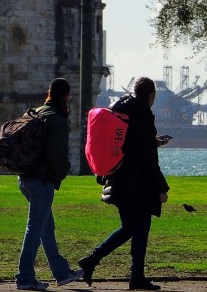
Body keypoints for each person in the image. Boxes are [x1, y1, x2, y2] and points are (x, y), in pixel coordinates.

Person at [78, 76, 171, 292]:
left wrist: (152, 142)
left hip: (118, 179)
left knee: (129, 227)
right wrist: (161, 188)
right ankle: (135, 276)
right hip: (137, 184)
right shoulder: (143, 117)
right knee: (140, 229)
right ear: (151, 95)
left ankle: (92, 261)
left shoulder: (121, 111)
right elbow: (147, 160)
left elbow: (130, 147)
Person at [15, 77, 84, 291]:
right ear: (65, 96)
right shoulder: (57, 120)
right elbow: (57, 156)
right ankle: (25, 277)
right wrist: (61, 173)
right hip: (41, 181)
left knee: (46, 227)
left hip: (24, 177)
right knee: (35, 228)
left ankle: (61, 273)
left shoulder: (34, 112)